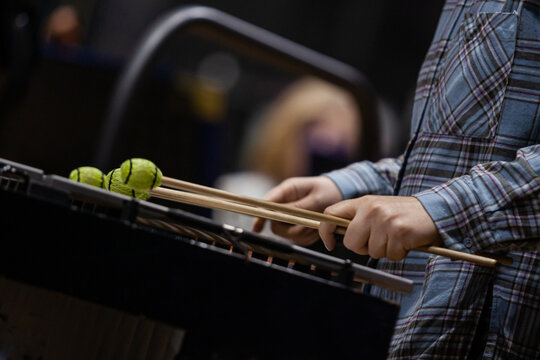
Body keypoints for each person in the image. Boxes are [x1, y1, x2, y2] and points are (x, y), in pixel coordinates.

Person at [253, 1, 540, 358]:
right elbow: (447, 163)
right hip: (409, 330)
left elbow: (438, 204)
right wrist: (349, 187)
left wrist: (440, 211)